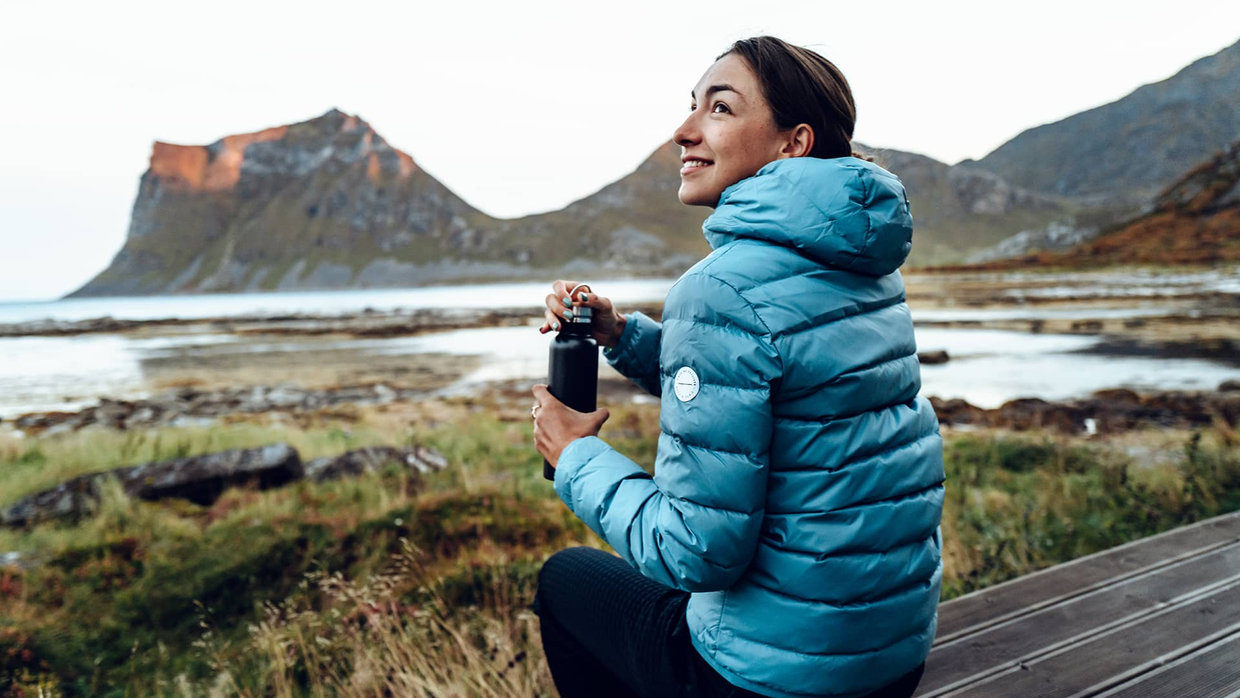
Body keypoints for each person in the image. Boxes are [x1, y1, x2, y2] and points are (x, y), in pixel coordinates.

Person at [529, 36, 944, 698]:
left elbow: (697, 551)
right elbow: (771, 385)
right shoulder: (865, 270)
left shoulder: (719, 287)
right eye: (692, 106)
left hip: (770, 682)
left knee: (565, 580)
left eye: (718, 108)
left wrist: (576, 457)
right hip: (889, 663)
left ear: (792, 143)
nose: (683, 130)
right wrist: (621, 334)